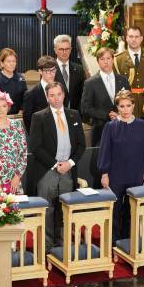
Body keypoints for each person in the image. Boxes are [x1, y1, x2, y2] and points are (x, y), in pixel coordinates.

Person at [29, 81, 86, 249]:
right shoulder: (39, 117)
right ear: (47, 97)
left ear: (64, 95)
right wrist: (55, 165)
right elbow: (35, 147)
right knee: (47, 209)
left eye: (59, 94)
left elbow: (81, 145)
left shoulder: (74, 115)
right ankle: (46, 247)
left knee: (65, 209)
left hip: (68, 170)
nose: (56, 98)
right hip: (47, 170)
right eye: (52, 95)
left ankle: (63, 244)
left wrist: (70, 163)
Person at [97, 89, 144, 243]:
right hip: (115, 176)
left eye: (128, 106)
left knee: (132, 211)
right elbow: (105, 151)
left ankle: (128, 242)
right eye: (122, 106)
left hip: (136, 173)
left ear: (133, 106)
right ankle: (114, 243)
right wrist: (104, 173)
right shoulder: (110, 127)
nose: (125, 109)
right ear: (117, 108)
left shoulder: (142, 125)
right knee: (114, 211)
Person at [80, 47, 130, 146]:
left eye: (108, 58)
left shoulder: (123, 80)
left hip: (123, 128)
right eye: (102, 59)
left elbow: (130, 102)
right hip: (101, 131)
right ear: (98, 62)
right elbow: (85, 108)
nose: (106, 62)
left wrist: (120, 115)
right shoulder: (90, 83)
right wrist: (107, 115)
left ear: (113, 59)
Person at [22, 56, 58, 134]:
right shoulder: (31, 94)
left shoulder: (60, 89)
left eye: (53, 70)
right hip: (40, 135)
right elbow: (28, 120)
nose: (51, 74)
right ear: (40, 71)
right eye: (47, 71)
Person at [0, 48, 27, 114]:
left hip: (20, 114)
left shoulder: (21, 78)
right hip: (4, 114)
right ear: (2, 63)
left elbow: (25, 97)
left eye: (14, 61)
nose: (12, 64)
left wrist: (21, 111)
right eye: (8, 61)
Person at [53, 35, 85, 111]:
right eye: (61, 49)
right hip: (56, 113)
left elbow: (82, 95)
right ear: (55, 50)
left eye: (67, 49)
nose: (64, 52)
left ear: (70, 49)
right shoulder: (49, 69)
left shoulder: (79, 69)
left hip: (75, 114)